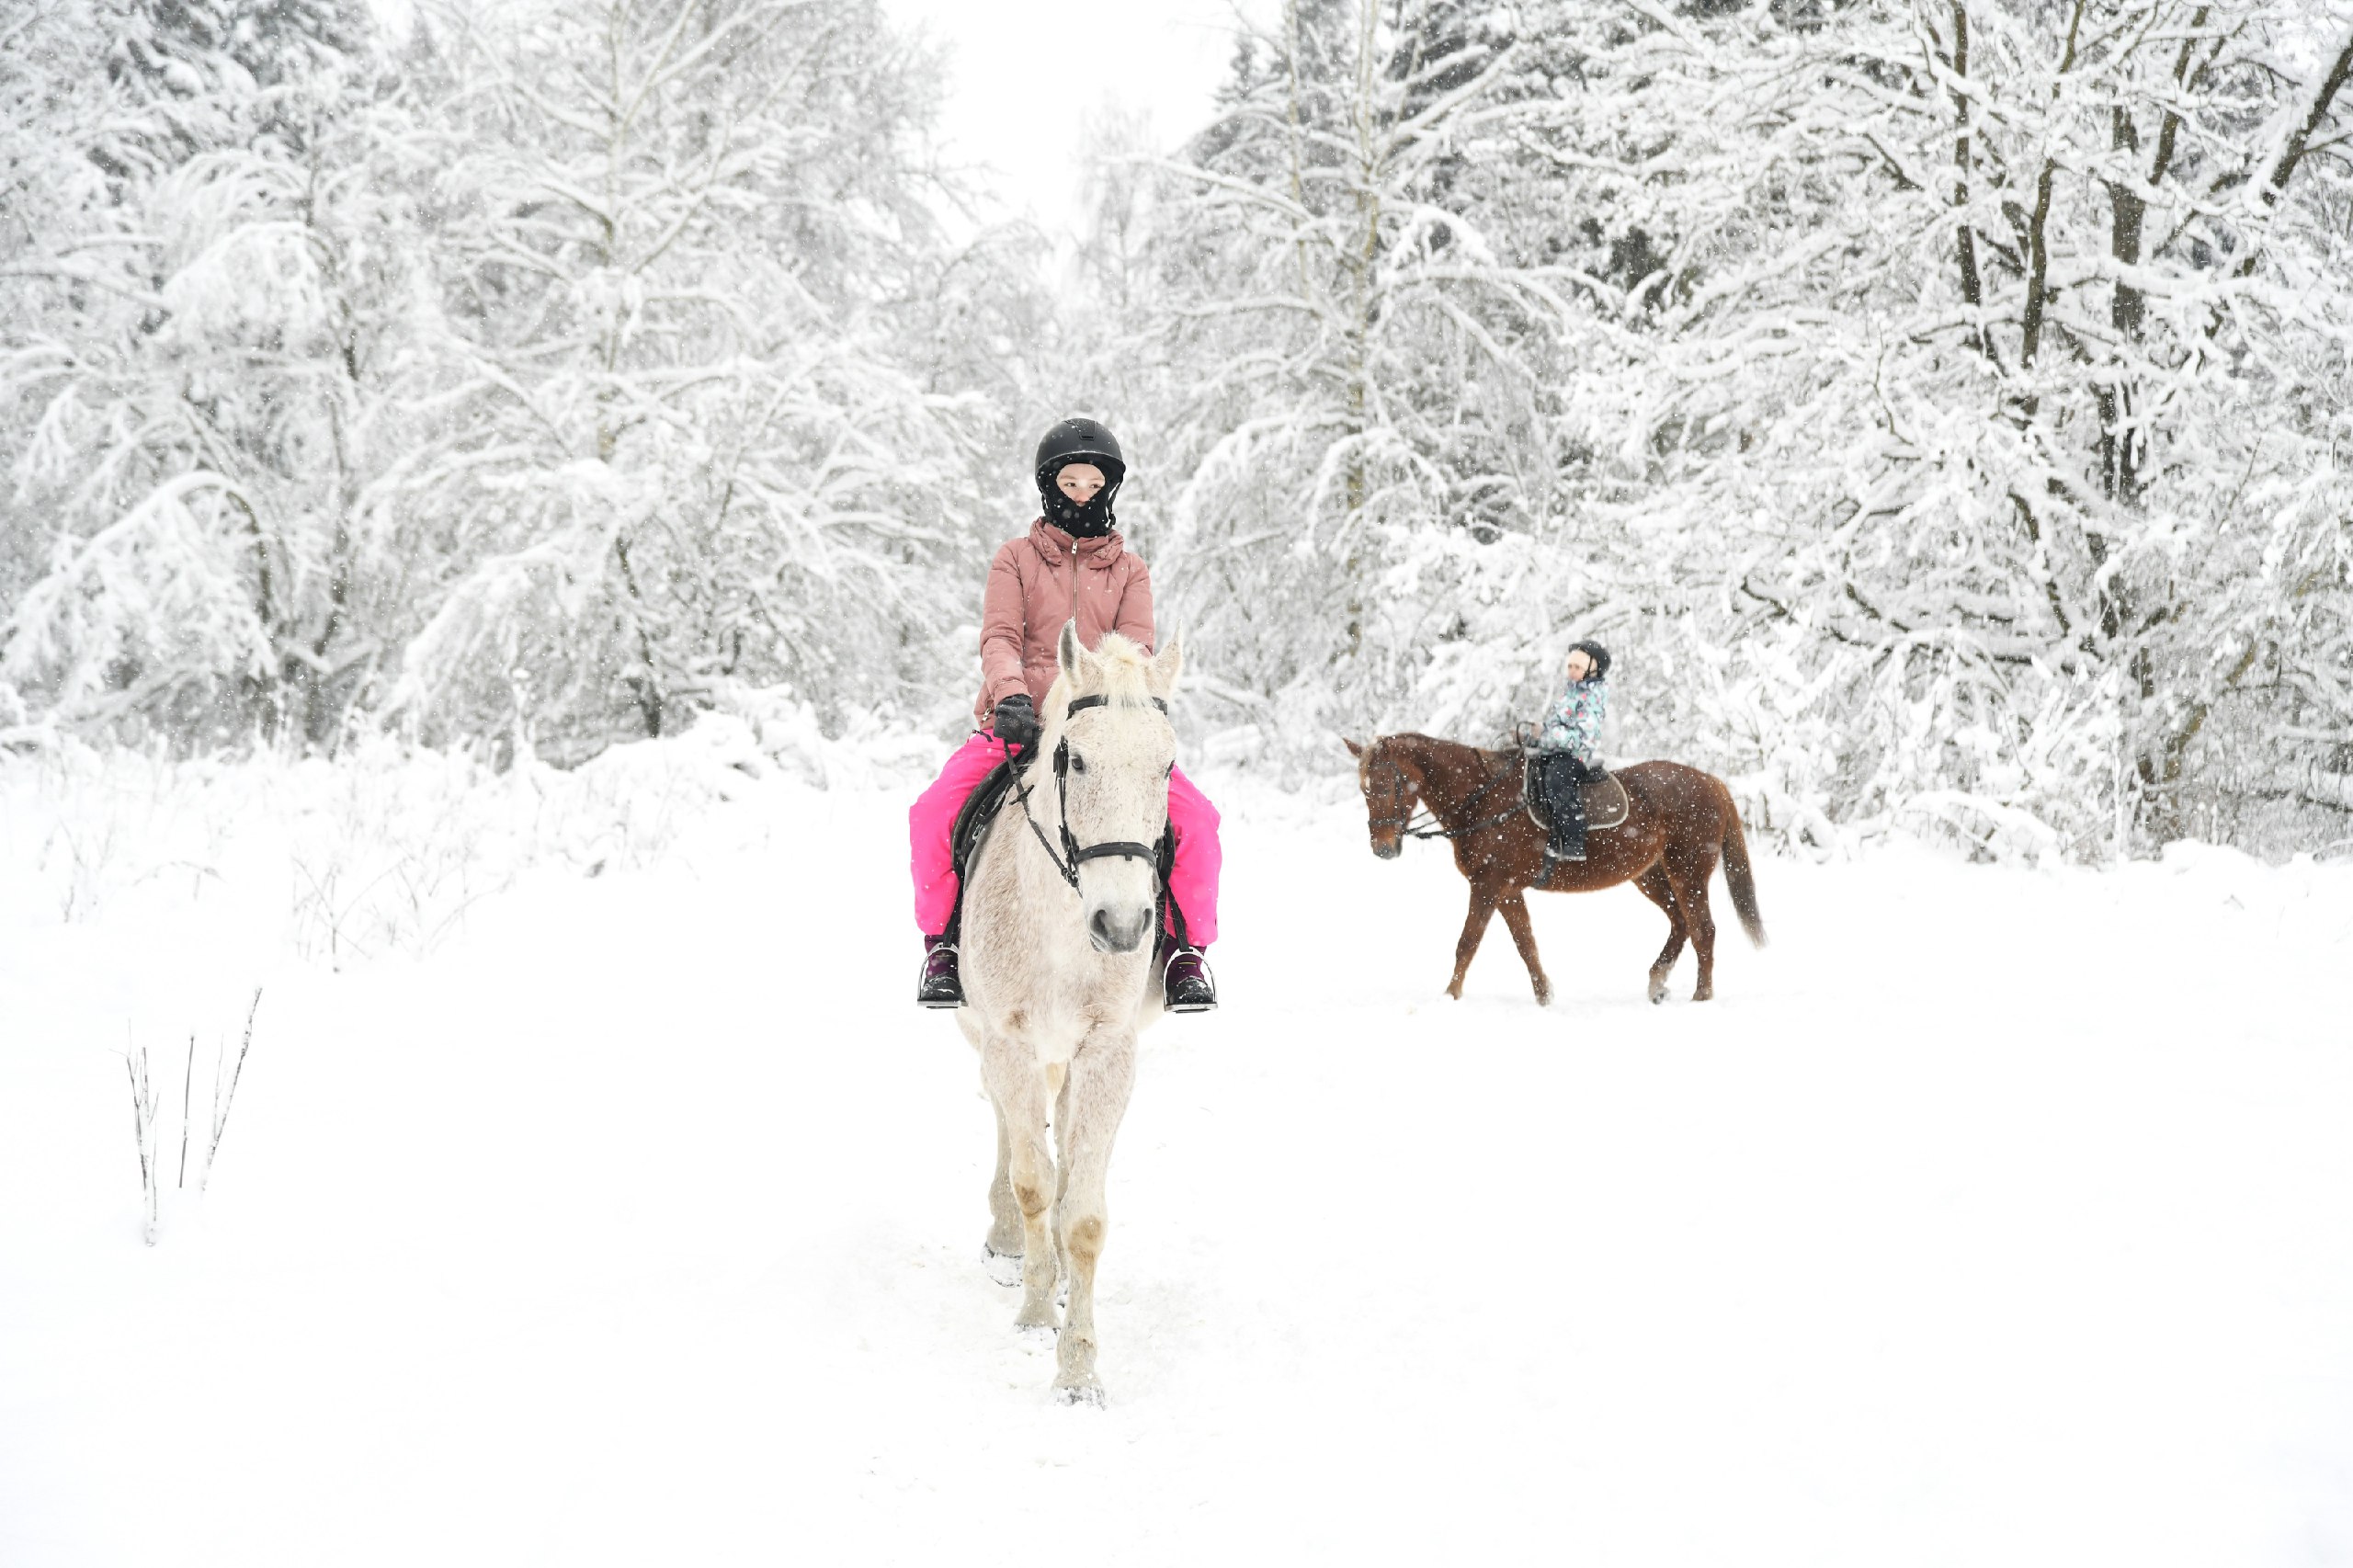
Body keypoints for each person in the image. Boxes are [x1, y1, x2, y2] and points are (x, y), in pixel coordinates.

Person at [907, 416, 1221, 1012]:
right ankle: (944, 943)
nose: (1083, 493)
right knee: (932, 811)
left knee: (1197, 821)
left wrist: (1111, 713)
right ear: (1050, 486)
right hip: (1020, 722)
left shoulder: (1131, 571)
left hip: (1101, 733)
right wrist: (1011, 697)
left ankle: (1184, 951)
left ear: (1110, 488)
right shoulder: (1015, 559)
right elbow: (999, 636)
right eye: (1070, 482)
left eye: (1093, 482)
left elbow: (1133, 654)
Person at [1536, 640, 1611, 860]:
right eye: (1570, 666)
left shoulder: (1593, 697)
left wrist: (1548, 735)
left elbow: (1583, 738)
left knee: (1557, 779)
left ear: (1592, 669)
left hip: (1575, 756)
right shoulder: (1571, 692)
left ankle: (1573, 839)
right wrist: (1537, 734)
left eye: (1577, 667)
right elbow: (1555, 725)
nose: (1572, 671)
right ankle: (1547, 829)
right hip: (1556, 751)